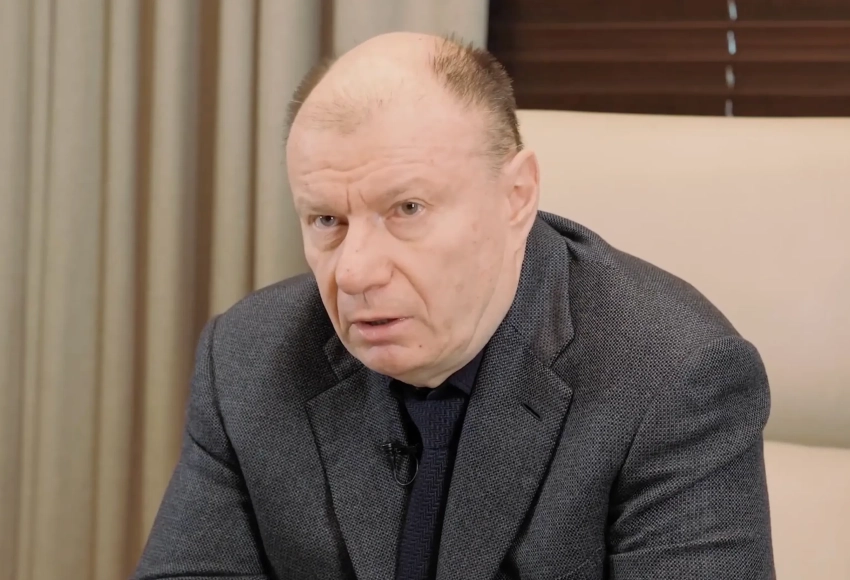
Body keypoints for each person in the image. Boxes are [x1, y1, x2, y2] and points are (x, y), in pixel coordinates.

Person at [134, 32, 774, 580]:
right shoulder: (247, 355)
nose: (354, 272)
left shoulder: (672, 375)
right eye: (327, 220)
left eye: (407, 209)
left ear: (517, 195)